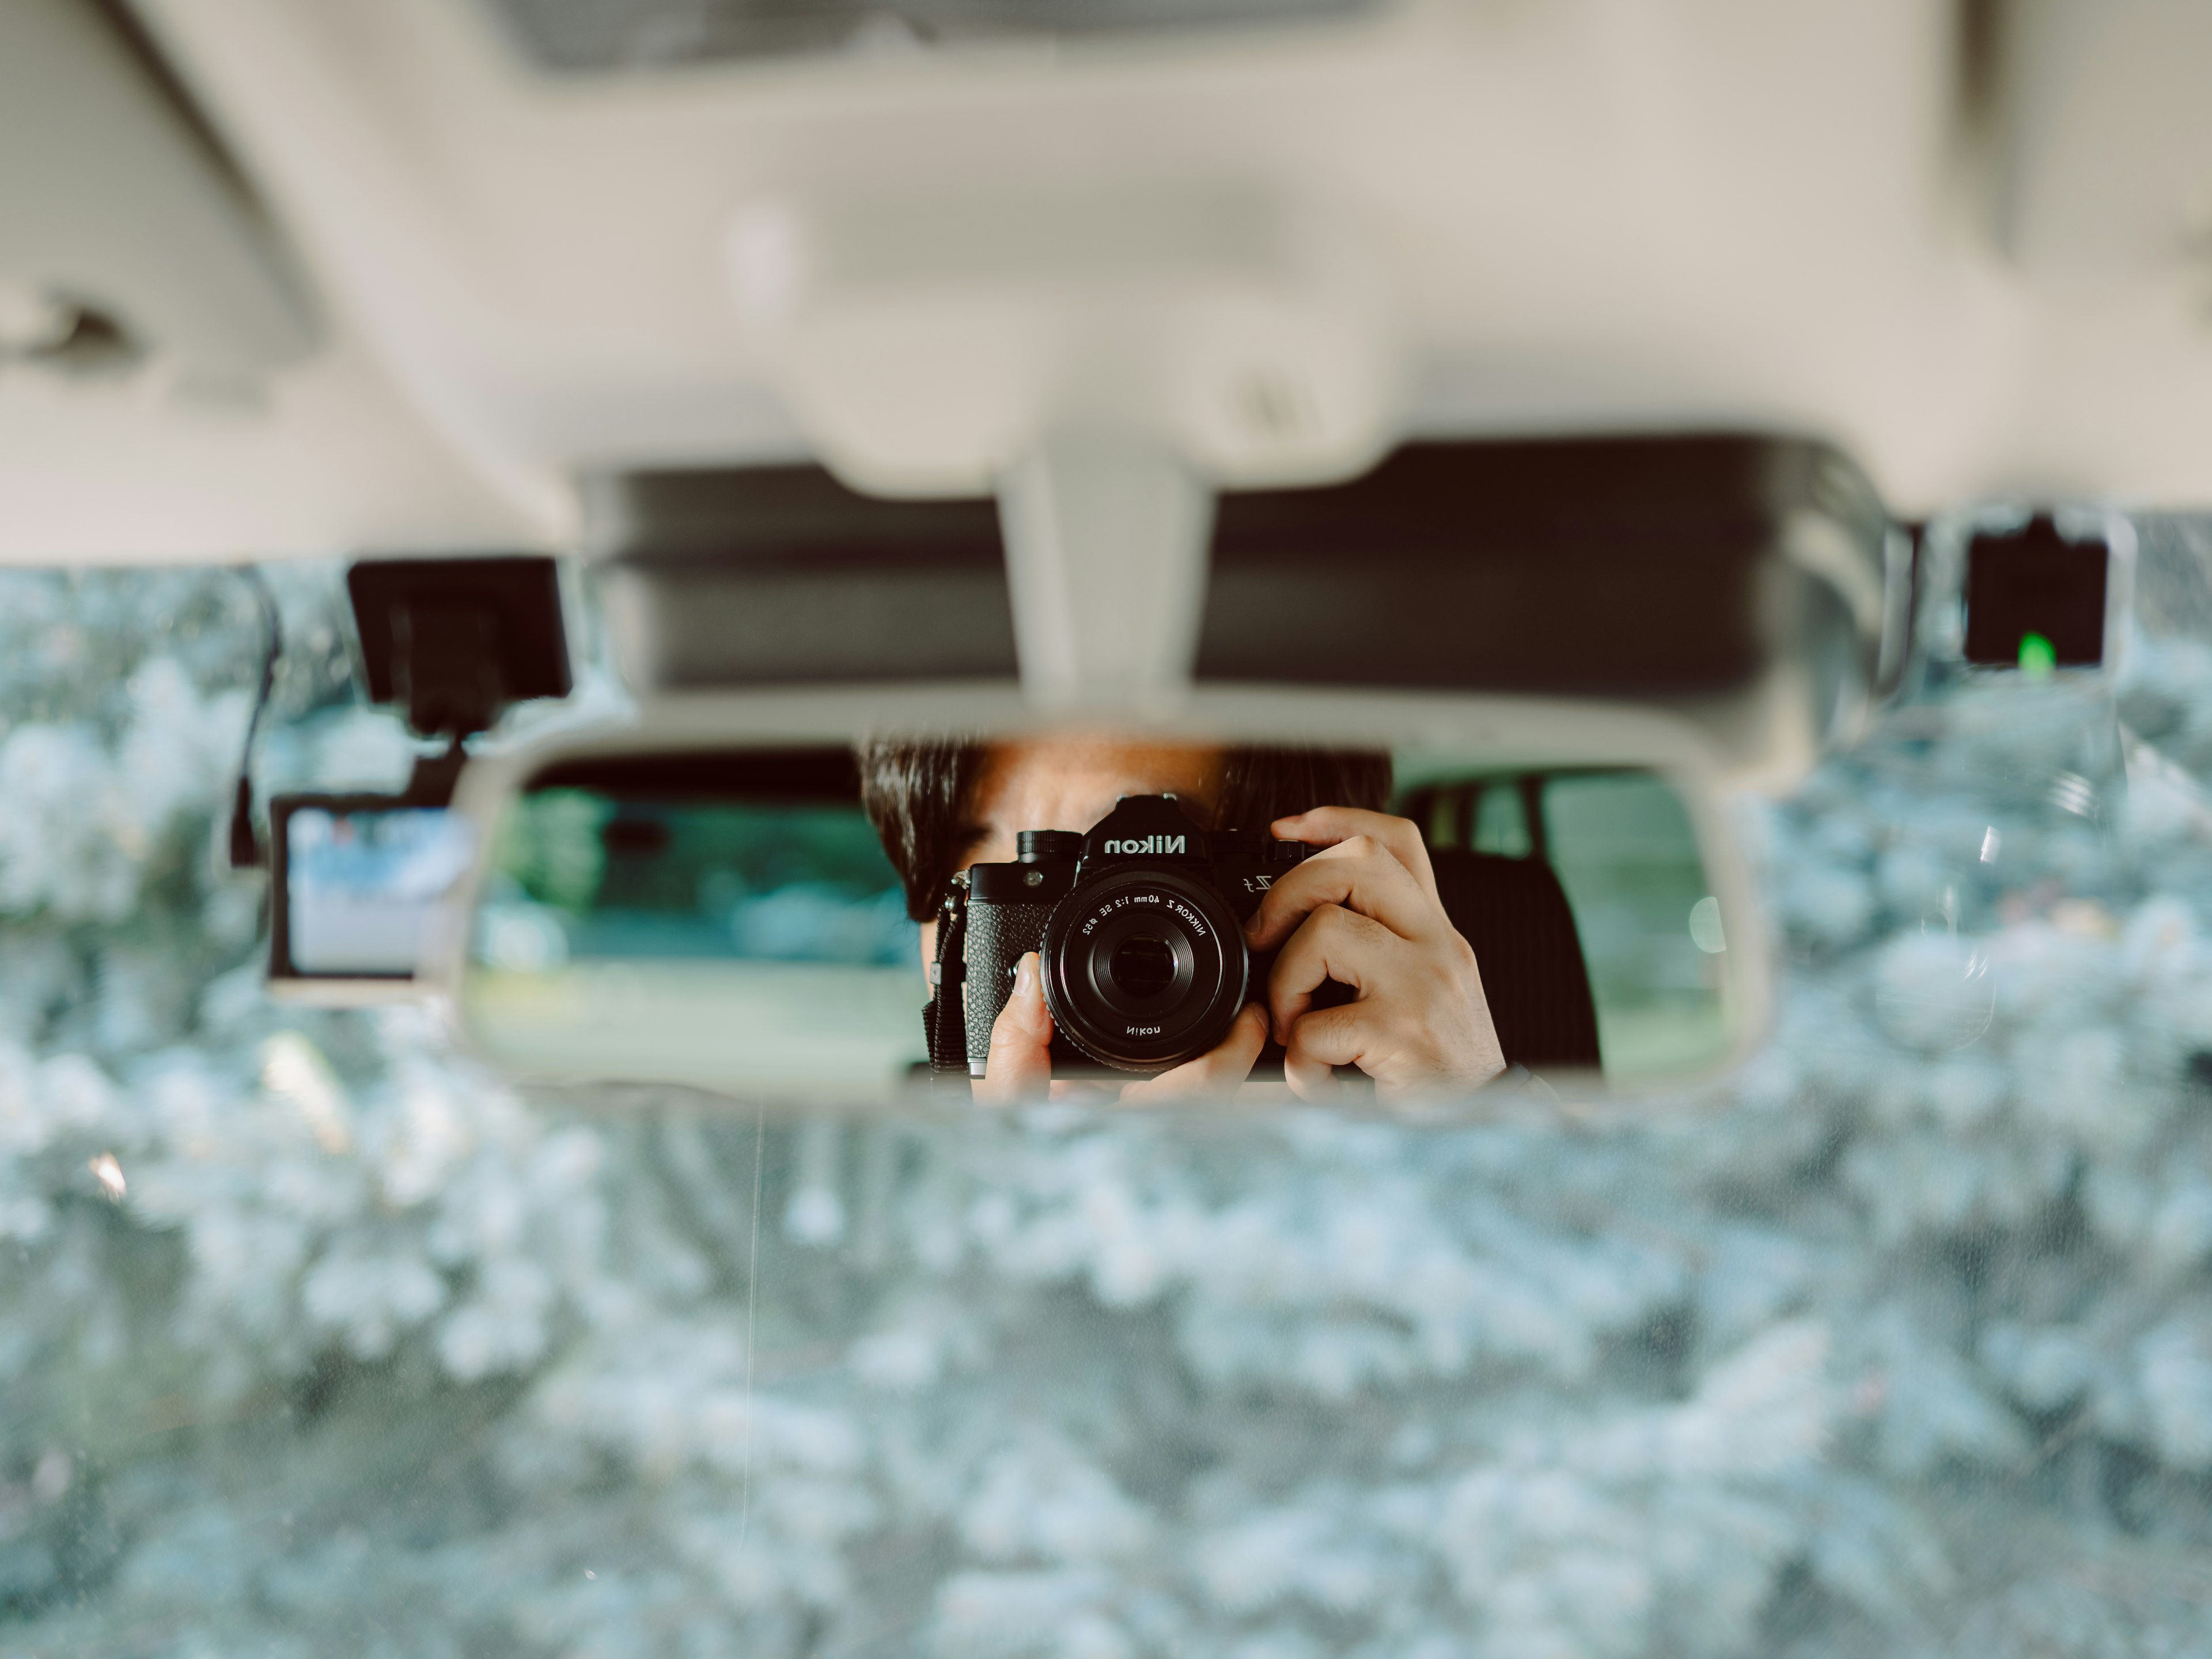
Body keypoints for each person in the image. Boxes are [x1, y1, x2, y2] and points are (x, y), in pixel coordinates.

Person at [858, 734, 1508, 1104]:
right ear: (950, 936)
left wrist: (1471, 1114)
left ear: (1321, 898)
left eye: (1146, 894)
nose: (1082, 961)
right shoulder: (870, 1194)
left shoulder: (1391, 1184)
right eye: (1043, 890)